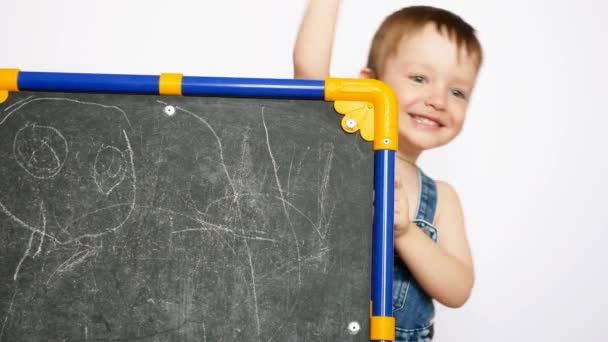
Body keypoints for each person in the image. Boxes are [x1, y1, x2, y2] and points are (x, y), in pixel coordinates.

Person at [293, 2, 483, 341]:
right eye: (419, 78)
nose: (438, 99)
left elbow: (458, 288)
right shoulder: (342, 150)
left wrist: (406, 234)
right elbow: (309, 73)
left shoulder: (442, 198)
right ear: (369, 84)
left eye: (457, 91)